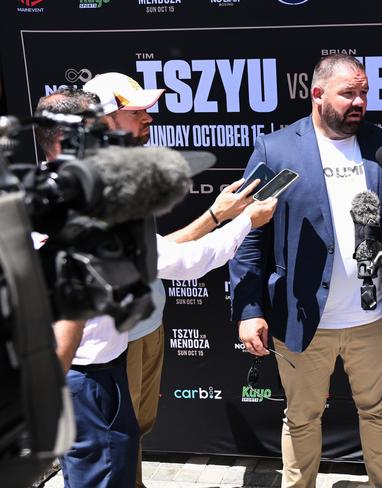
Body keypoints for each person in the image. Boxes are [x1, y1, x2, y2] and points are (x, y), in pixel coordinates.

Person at [36, 86, 277, 488]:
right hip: (86, 376)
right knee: (102, 477)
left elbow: (156, 252)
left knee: (115, 467)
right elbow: (181, 263)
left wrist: (218, 216)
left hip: (97, 368)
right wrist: (247, 223)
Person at [229, 53, 382, 488]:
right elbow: (249, 234)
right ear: (317, 94)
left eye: (364, 93)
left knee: (379, 412)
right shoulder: (277, 149)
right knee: (301, 418)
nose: (359, 101)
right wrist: (249, 309)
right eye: (348, 93)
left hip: (376, 320)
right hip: (302, 320)